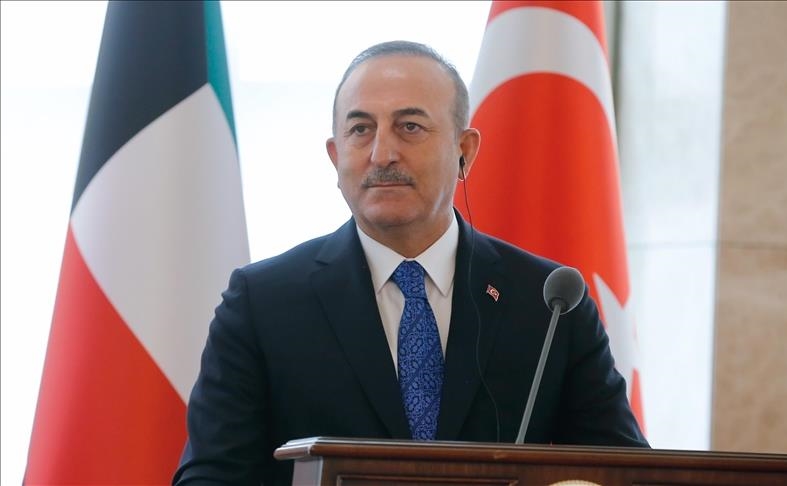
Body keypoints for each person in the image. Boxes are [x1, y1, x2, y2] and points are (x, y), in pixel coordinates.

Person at [173, 40, 648, 486]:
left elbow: (624, 472)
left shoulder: (549, 302)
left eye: (410, 127)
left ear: (464, 151)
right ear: (335, 157)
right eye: (361, 130)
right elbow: (210, 477)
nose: (382, 154)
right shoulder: (263, 303)